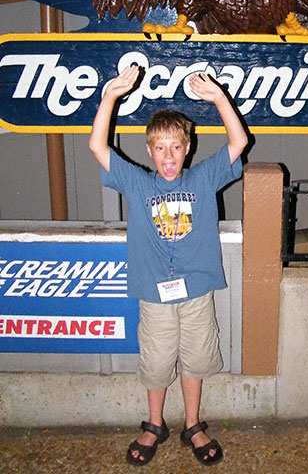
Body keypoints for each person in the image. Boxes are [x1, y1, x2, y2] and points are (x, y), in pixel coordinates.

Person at [88, 64, 248, 467]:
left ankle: (192, 424)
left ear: (188, 147)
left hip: (196, 291)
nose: (169, 156)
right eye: (160, 148)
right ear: (149, 151)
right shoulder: (138, 182)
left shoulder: (204, 178)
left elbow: (239, 140)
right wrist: (110, 96)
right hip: (153, 294)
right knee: (157, 362)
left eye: (176, 146)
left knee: (195, 358)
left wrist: (218, 99)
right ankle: (154, 424)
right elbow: (97, 148)